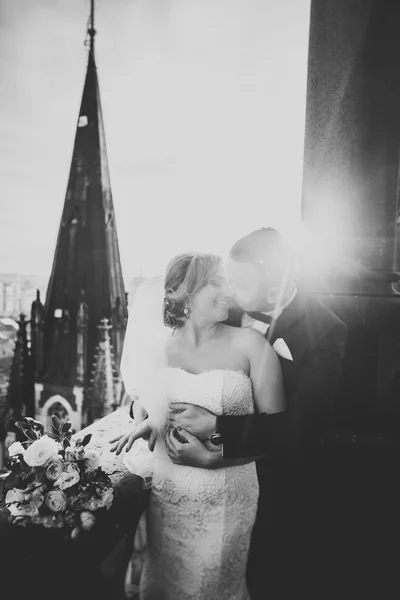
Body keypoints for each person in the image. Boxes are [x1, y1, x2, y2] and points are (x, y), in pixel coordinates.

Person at [162, 228, 348, 599]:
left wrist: (217, 430)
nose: (228, 290)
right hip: (191, 495)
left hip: (278, 489)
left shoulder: (327, 330)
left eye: (240, 282)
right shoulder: (221, 310)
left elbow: (302, 427)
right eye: (227, 278)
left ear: (275, 282)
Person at [110, 251, 285, 600]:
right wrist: (151, 424)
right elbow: (155, 402)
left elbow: (278, 433)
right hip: (169, 497)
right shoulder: (158, 350)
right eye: (215, 283)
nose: (229, 291)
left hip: (226, 501)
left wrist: (215, 458)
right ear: (185, 295)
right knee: (163, 583)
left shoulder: (251, 345)